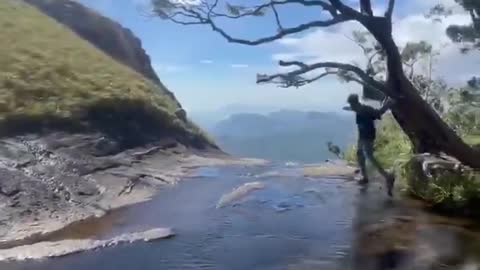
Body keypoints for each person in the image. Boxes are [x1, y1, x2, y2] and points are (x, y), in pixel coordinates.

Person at [345, 94, 395, 196]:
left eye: (352, 104)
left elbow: (378, 112)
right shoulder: (358, 109)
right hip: (362, 135)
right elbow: (354, 109)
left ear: (356, 103)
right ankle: (365, 177)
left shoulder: (366, 109)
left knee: (369, 156)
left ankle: (388, 176)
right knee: (360, 154)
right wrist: (348, 108)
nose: (352, 107)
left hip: (368, 135)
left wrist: (388, 104)